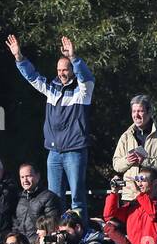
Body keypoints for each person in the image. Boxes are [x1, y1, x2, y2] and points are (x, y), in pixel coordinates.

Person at [6, 33, 95, 213]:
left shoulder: (82, 91)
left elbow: (86, 77)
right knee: (54, 198)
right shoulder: (52, 89)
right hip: (54, 152)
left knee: (77, 197)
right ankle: (57, 236)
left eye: (65, 70)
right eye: (59, 70)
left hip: (74, 150)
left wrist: (73, 57)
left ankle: (80, 232)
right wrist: (18, 57)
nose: (61, 73)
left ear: (72, 70)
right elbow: (32, 77)